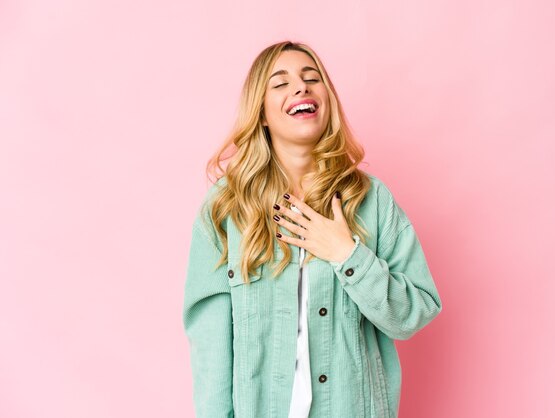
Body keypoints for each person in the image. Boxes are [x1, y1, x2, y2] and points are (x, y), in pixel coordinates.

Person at [182, 40, 443, 418]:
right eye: (280, 83)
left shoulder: (369, 200)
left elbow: (413, 315)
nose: (301, 87)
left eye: (311, 78)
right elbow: (211, 346)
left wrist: (347, 255)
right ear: (263, 114)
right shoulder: (227, 207)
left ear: (327, 100)